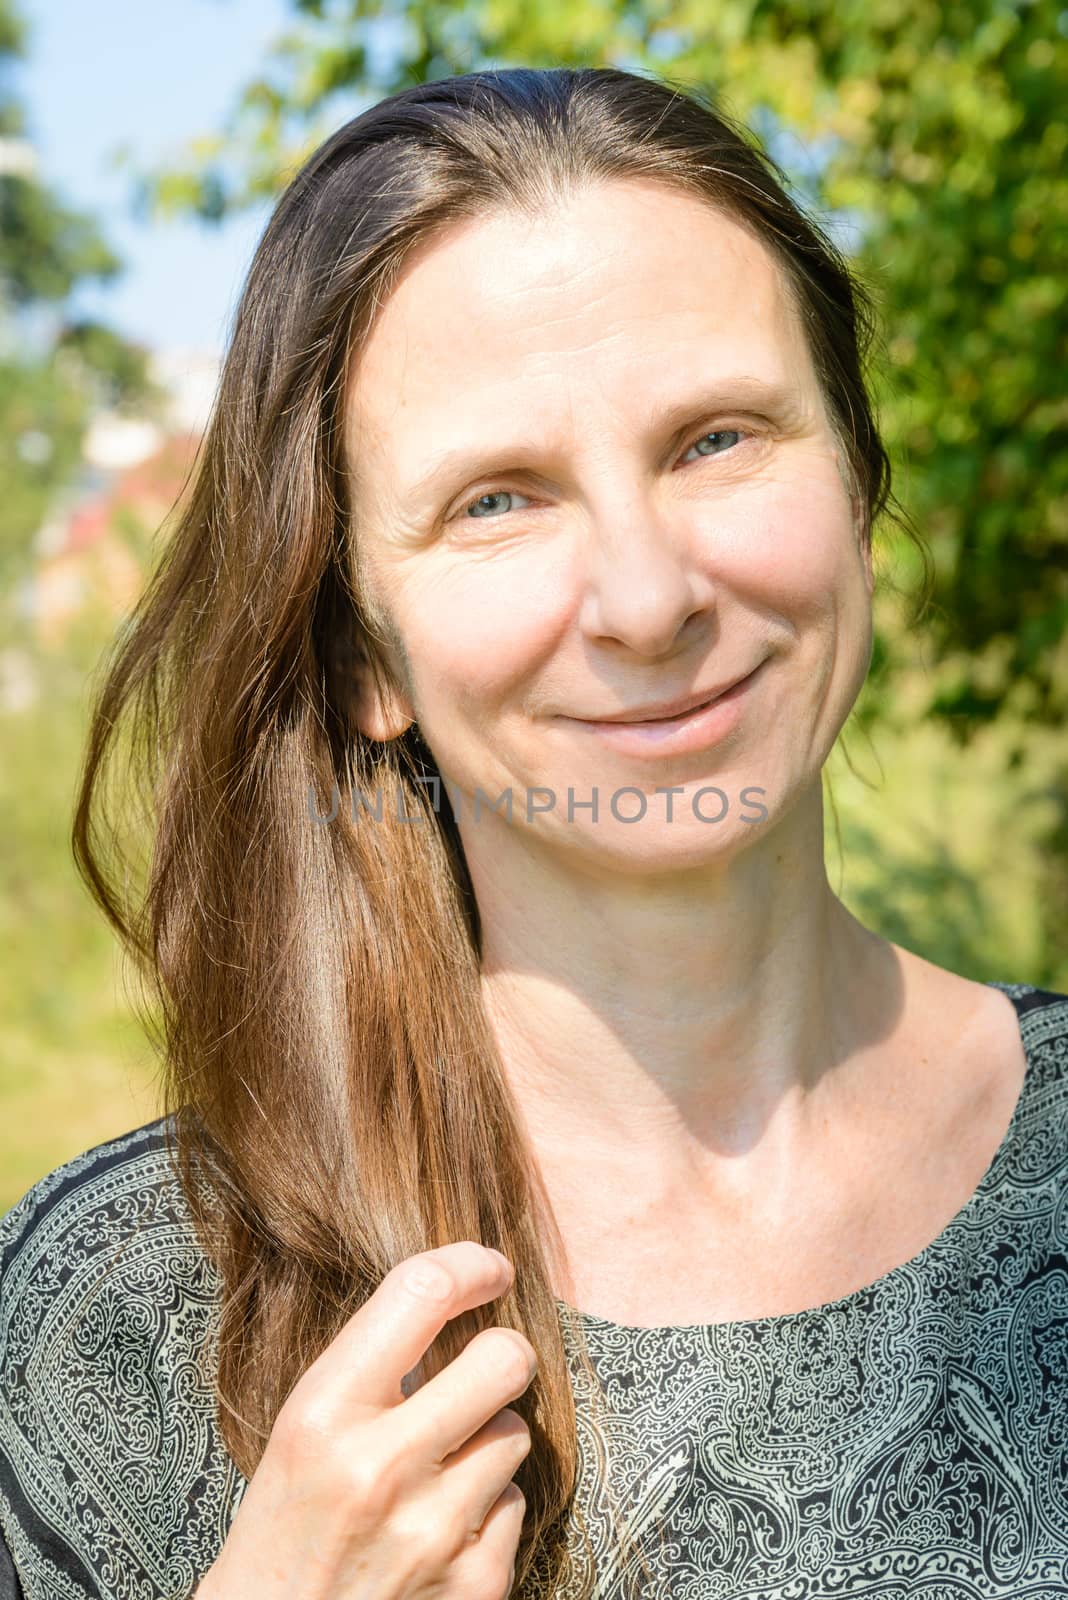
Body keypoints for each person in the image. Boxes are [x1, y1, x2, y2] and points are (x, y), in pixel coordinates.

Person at [1, 63, 1066, 1600]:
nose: (647, 599)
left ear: (859, 479)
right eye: (499, 500)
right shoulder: (110, 1325)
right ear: (361, 651)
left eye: (717, 439)